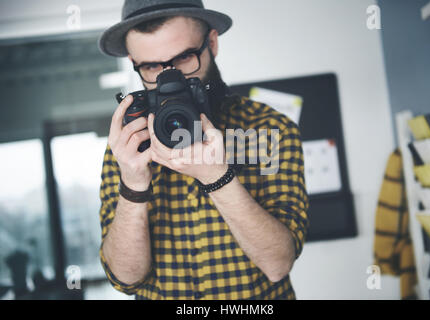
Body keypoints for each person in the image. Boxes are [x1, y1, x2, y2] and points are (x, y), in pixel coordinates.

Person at [98, 0, 309, 300]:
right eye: (152, 66)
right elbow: (125, 278)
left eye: (184, 58)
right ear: (134, 62)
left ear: (211, 42)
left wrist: (218, 178)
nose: (170, 79)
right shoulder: (128, 143)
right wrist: (133, 184)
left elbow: (277, 264)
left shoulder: (266, 129)